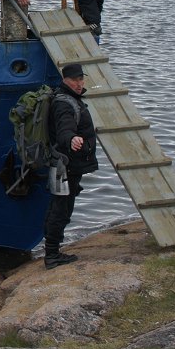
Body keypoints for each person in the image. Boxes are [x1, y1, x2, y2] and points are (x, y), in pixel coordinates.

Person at [43, 62, 98, 268]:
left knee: (59, 205)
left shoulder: (70, 99)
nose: (79, 83)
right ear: (65, 79)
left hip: (65, 164)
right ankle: (52, 255)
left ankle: (51, 250)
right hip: (64, 165)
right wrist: (72, 139)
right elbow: (65, 127)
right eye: (75, 80)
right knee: (62, 208)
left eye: (81, 79)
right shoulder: (65, 104)